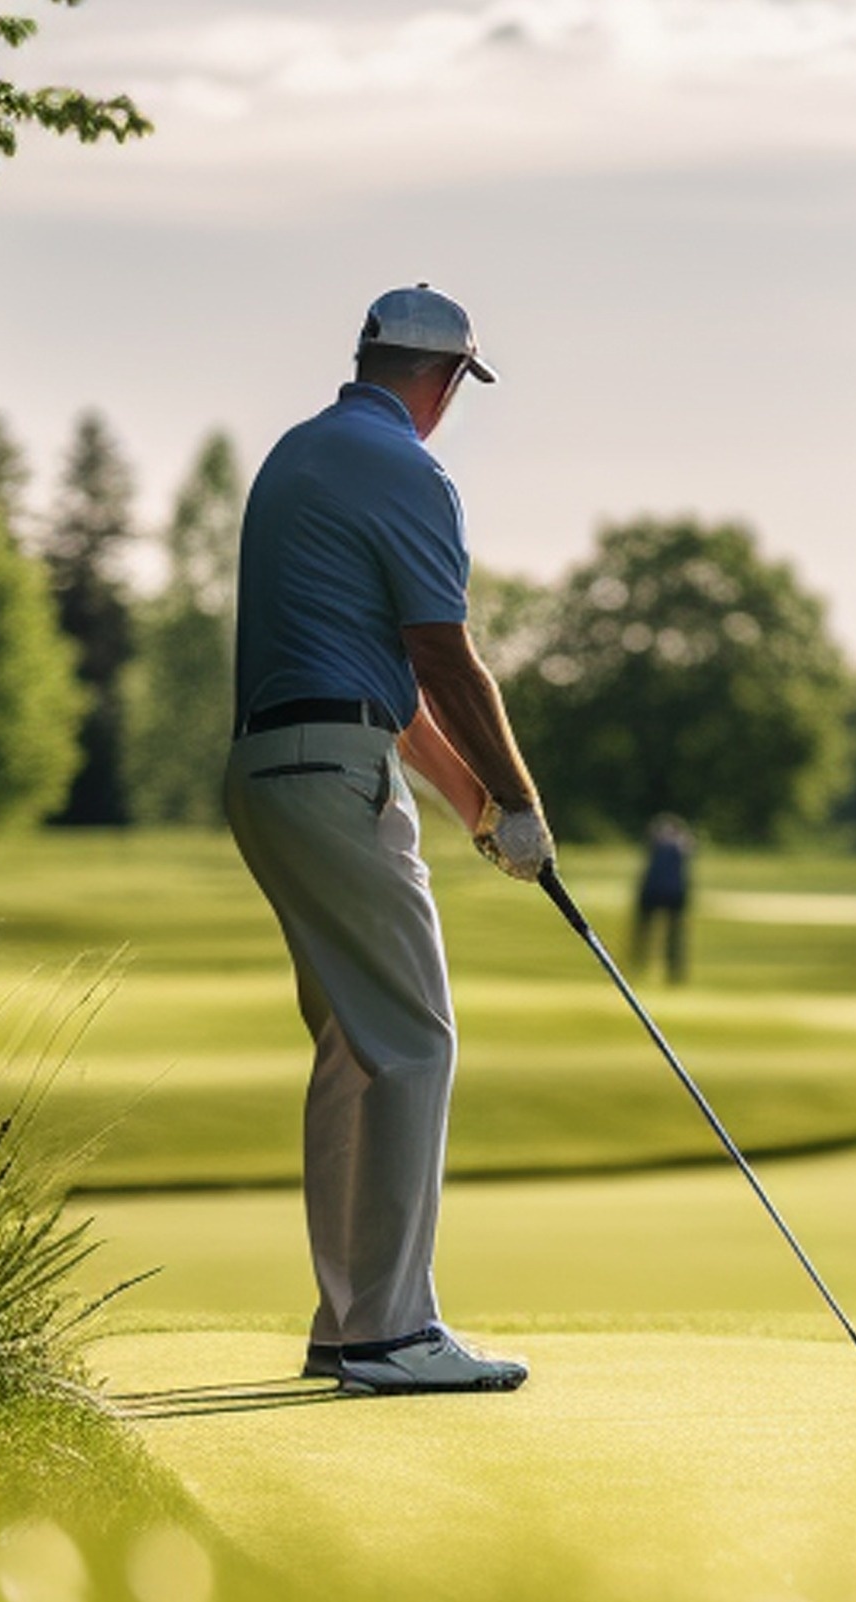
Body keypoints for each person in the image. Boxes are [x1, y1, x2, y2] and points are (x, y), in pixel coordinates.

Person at [225, 284, 551, 1396]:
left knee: (356, 1047)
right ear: (448, 379)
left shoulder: (299, 453)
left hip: (272, 771)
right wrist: (523, 798)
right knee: (415, 1038)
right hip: (331, 772)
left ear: (367, 356)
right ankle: (391, 1331)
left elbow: (395, 686)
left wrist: (473, 807)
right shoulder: (409, 469)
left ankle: (349, 1322)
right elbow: (448, 658)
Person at [633, 813, 694, 984]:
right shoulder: (680, 845)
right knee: (669, 936)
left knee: (664, 935)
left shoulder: (659, 844)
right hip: (672, 893)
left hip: (656, 892)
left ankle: (648, 963)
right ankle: (666, 967)